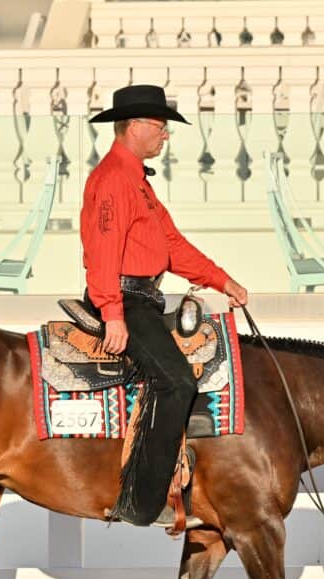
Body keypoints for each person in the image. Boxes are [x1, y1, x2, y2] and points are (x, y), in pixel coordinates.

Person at [81, 84, 249, 528]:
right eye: (159, 127)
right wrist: (112, 313)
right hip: (127, 300)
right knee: (175, 380)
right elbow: (101, 250)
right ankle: (143, 502)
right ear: (133, 126)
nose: (165, 136)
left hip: (142, 298)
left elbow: (171, 246)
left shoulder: (138, 182)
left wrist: (221, 279)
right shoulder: (113, 179)